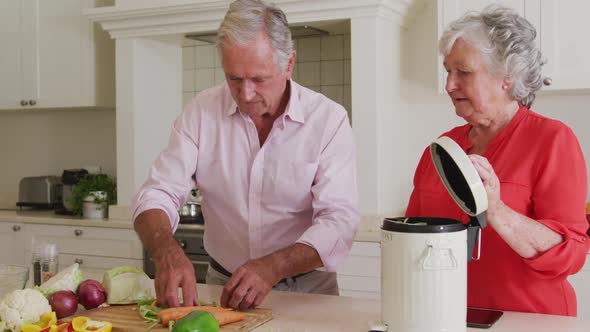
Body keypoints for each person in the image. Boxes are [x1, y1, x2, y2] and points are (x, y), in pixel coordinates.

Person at [132, 0, 359, 310]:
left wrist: (274, 265)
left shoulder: (328, 120)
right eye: (234, 78)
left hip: (308, 292)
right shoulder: (201, 113)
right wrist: (165, 251)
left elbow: (339, 222)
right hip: (222, 287)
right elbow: (158, 192)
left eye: (259, 79)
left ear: (288, 64)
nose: (245, 94)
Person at [406, 5, 589, 316]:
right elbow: (413, 235)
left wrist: (497, 210)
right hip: (448, 316)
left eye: (463, 72)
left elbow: (572, 254)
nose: (449, 84)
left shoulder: (552, 140)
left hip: (530, 321)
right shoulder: (442, 149)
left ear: (507, 77)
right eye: (447, 71)